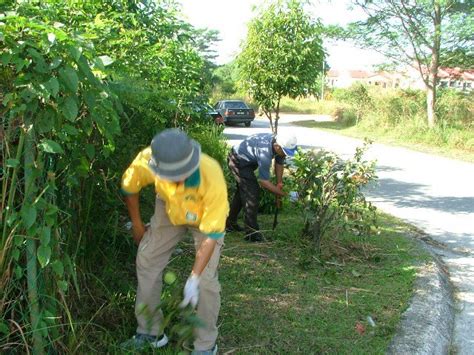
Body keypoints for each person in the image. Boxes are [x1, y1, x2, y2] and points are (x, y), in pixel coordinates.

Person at [121, 128, 228, 355]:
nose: (178, 178)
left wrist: (194, 277)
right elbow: (129, 187)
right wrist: (138, 226)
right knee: (147, 258)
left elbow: (212, 234)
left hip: (203, 216)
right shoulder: (148, 160)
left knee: (206, 281)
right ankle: (150, 332)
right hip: (169, 206)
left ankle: (205, 345)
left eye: (182, 174)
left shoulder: (211, 175)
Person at [226, 132, 297, 242]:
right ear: (277, 146)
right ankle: (252, 233)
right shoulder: (265, 152)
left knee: (243, 192)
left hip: (248, 160)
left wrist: (279, 184)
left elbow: (279, 162)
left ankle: (229, 223)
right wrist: (283, 195)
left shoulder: (277, 144)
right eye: (284, 151)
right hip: (237, 160)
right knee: (252, 193)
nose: (285, 154)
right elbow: (264, 182)